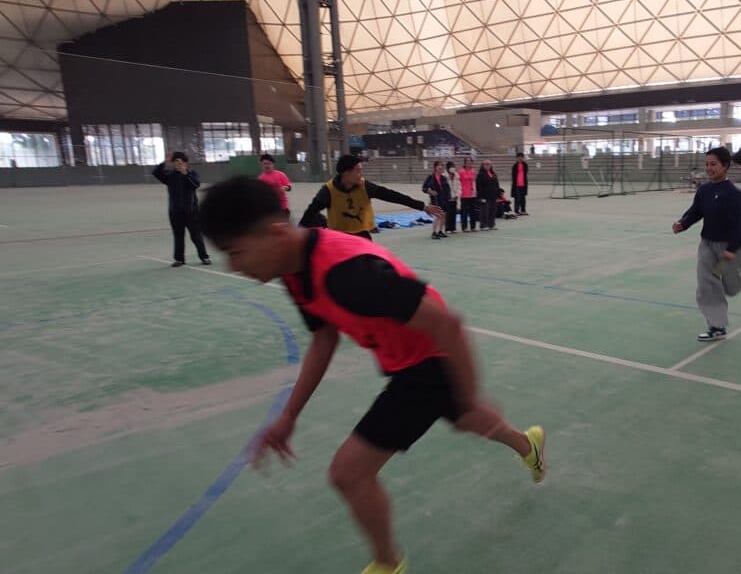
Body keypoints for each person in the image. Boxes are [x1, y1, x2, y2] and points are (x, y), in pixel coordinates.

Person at [198, 177, 546, 574]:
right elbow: (323, 338)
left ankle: (388, 564)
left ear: (276, 234)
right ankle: (528, 445)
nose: (234, 267)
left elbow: (447, 325)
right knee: (471, 420)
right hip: (405, 358)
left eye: (236, 252)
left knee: (349, 473)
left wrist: (466, 394)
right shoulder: (295, 269)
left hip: (429, 360)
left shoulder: (348, 275)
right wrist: (289, 416)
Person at [672, 145, 741, 341]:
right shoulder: (704, 190)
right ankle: (717, 326)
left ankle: (738, 278)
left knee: (732, 287)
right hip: (708, 245)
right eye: (707, 164)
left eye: (713, 164)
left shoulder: (734, 193)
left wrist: (732, 248)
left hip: (730, 247)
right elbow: (696, 211)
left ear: (725, 166)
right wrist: (683, 223)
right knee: (706, 284)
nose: (709, 168)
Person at [299, 155, 443, 241]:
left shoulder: (365, 186)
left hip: (362, 235)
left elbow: (392, 196)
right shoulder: (328, 191)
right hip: (339, 238)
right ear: (346, 174)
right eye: (358, 171)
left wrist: (422, 206)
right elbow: (311, 212)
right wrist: (298, 232)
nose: (361, 174)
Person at [152, 151, 210, 267]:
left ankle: (204, 257)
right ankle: (179, 259)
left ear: (185, 163)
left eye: (180, 162)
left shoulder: (192, 173)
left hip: (191, 212)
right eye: (175, 162)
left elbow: (196, 184)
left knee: (196, 236)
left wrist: (185, 173)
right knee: (178, 236)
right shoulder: (170, 176)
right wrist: (165, 161)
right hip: (175, 212)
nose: (178, 164)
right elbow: (156, 173)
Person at [422, 161, 451, 240]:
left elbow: (447, 189)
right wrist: (430, 191)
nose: (440, 167)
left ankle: (440, 231)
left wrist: (449, 197)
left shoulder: (444, 178)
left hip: (444, 199)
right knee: (438, 216)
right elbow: (424, 188)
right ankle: (434, 232)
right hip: (436, 200)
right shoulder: (430, 177)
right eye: (439, 166)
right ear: (435, 167)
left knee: (443, 216)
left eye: (442, 166)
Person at [476, 159, 500, 230]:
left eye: (489, 164)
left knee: (492, 211)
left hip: (493, 196)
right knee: (484, 211)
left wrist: (498, 195)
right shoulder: (480, 175)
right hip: (485, 196)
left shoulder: (493, 174)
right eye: (486, 164)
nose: (487, 166)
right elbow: (478, 187)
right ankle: (483, 225)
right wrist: (481, 197)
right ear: (483, 165)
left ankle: (491, 224)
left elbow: (497, 185)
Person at [457, 157, 479, 232]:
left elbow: (473, 181)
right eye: (467, 161)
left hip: (472, 194)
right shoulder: (461, 171)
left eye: (470, 161)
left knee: (473, 211)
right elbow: (458, 182)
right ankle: (464, 227)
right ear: (465, 162)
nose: (469, 162)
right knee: (464, 212)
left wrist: (475, 191)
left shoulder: (473, 171)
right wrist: (459, 192)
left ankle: (473, 227)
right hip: (464, 194)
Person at [444, 161, 459, 234]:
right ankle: (447, 228)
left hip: (455, 197)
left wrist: (457, 195)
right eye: (451, 166)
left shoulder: (456, 175)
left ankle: (453, 228)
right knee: (448, 213)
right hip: (448, 197)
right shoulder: (444, 176)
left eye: (453, 166)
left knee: (454, 213)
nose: (453, 168)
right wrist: (448, 196)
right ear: (448, 168)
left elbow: (458, 185)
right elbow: (444, 188)